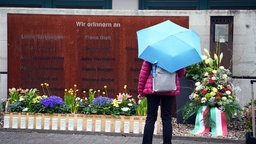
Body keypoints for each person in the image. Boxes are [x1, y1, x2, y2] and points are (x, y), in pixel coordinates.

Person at [137, 61, 186, 144]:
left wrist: (141, 91)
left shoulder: (152, 53)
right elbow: (181, 73)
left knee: (150, 118)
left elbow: (144, 73)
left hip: (152, 89)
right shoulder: (174, 55)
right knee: (167, 118)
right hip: (169, 89)